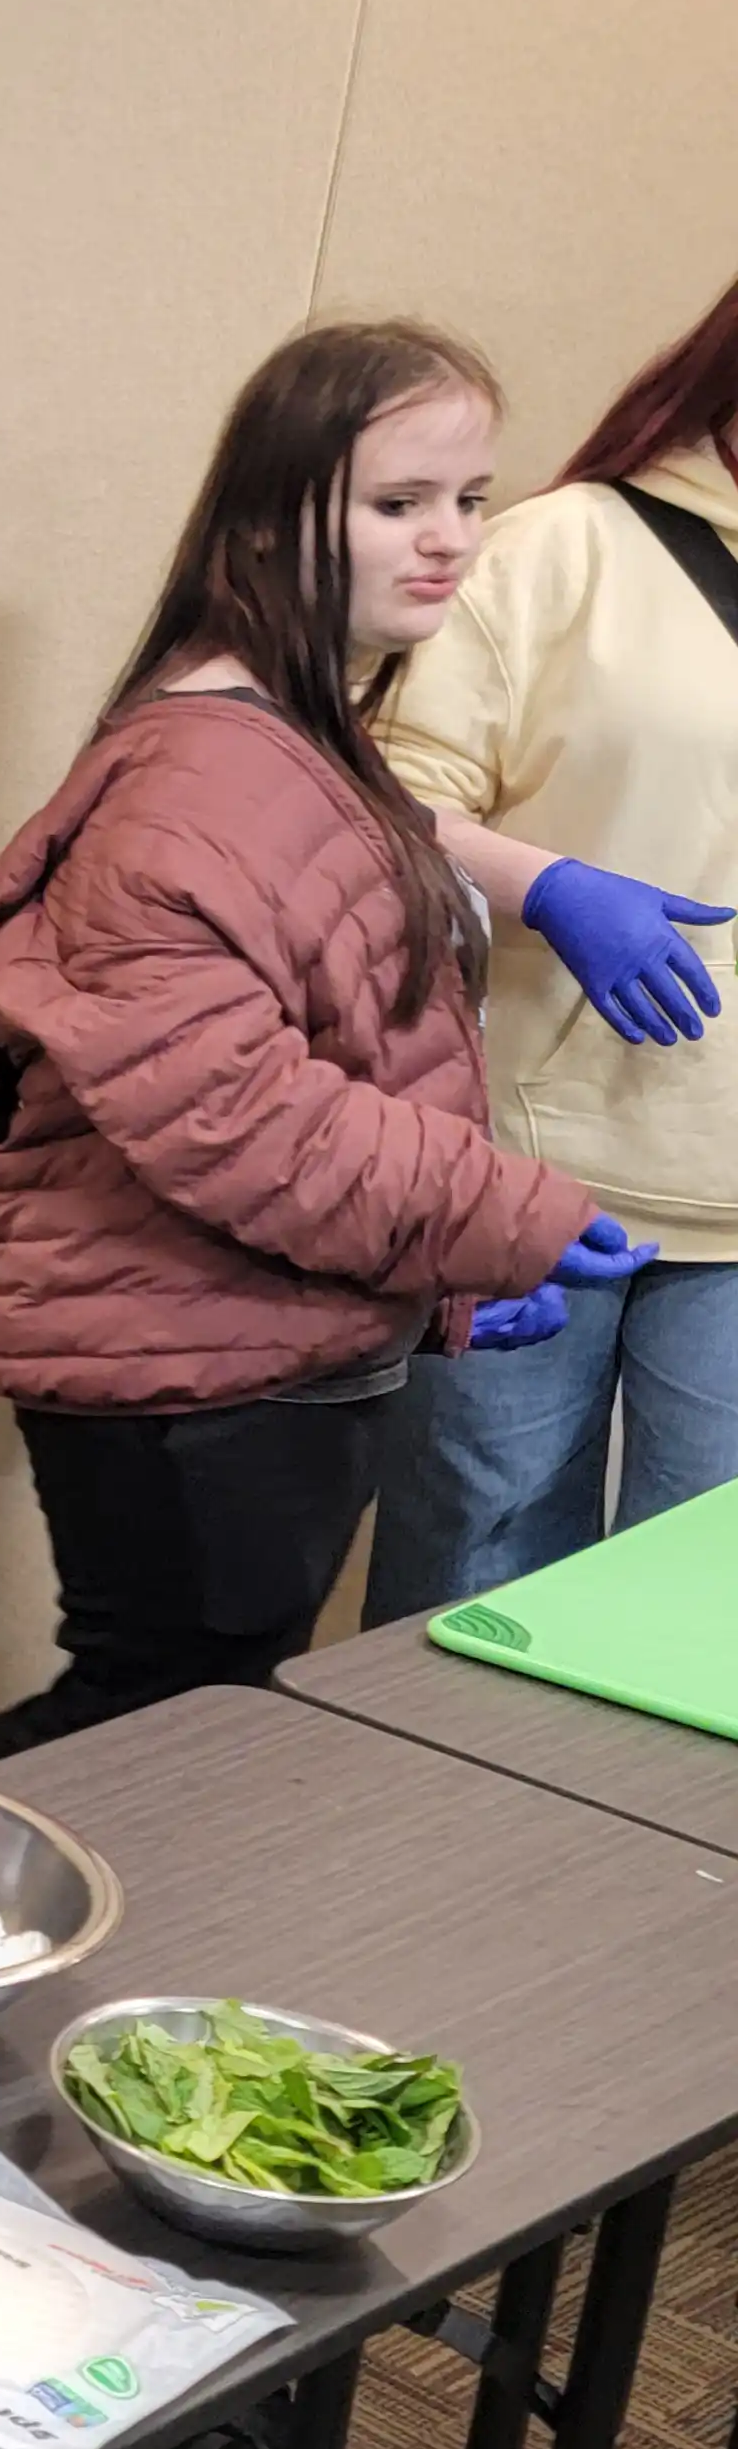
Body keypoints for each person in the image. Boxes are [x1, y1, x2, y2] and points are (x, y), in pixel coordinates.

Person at [0, 322, 615, 1769]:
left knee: (177, 1725)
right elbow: (243, 1115)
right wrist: (505, 1218)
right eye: (398, 503)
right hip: (189, 1363)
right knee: (155, 1728)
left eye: (471, 500)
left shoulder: (301, 739)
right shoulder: (207, 773)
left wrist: (445, 1286)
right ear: (273, 511)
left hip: (248, 1342)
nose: (449, 543)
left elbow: (344, 1061)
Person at [363, 269, 738, 1615]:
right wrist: (555, 885)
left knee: (695, 1620)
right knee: (478, 1581)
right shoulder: (564, 548)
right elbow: (371, 798)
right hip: (534, 1171)